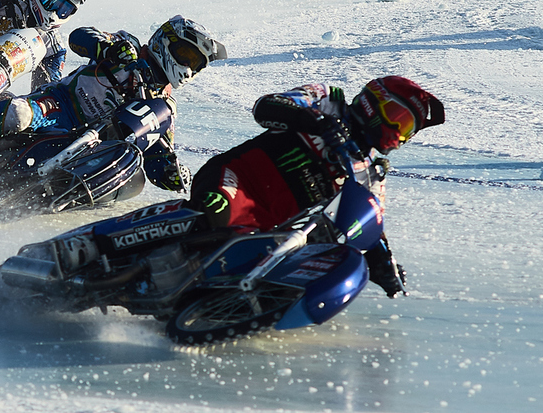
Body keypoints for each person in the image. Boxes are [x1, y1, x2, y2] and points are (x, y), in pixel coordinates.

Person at [0, 15, 227, 192]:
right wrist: (107, 48)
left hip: (88, 146)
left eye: (196, 62)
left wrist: (170, 171)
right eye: (186, 54)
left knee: (133, 180)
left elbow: (157, 148)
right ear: (165, 41)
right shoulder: (127, 46)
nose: (188, 66)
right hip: (58, 107)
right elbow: (81, 37)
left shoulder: (163, 107)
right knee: (18, 112)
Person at [185, 76, 445, 297]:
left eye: (407, 131)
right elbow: (266, 106)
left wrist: (384, 266)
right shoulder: (327, 100)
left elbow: (367, 225)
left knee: (263, 280)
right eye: (398, 120)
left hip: (265, 232)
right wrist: (317, 122)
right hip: (237, 180)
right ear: (374, 102)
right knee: (213, 213)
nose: (398, 133)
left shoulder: (370, 174)